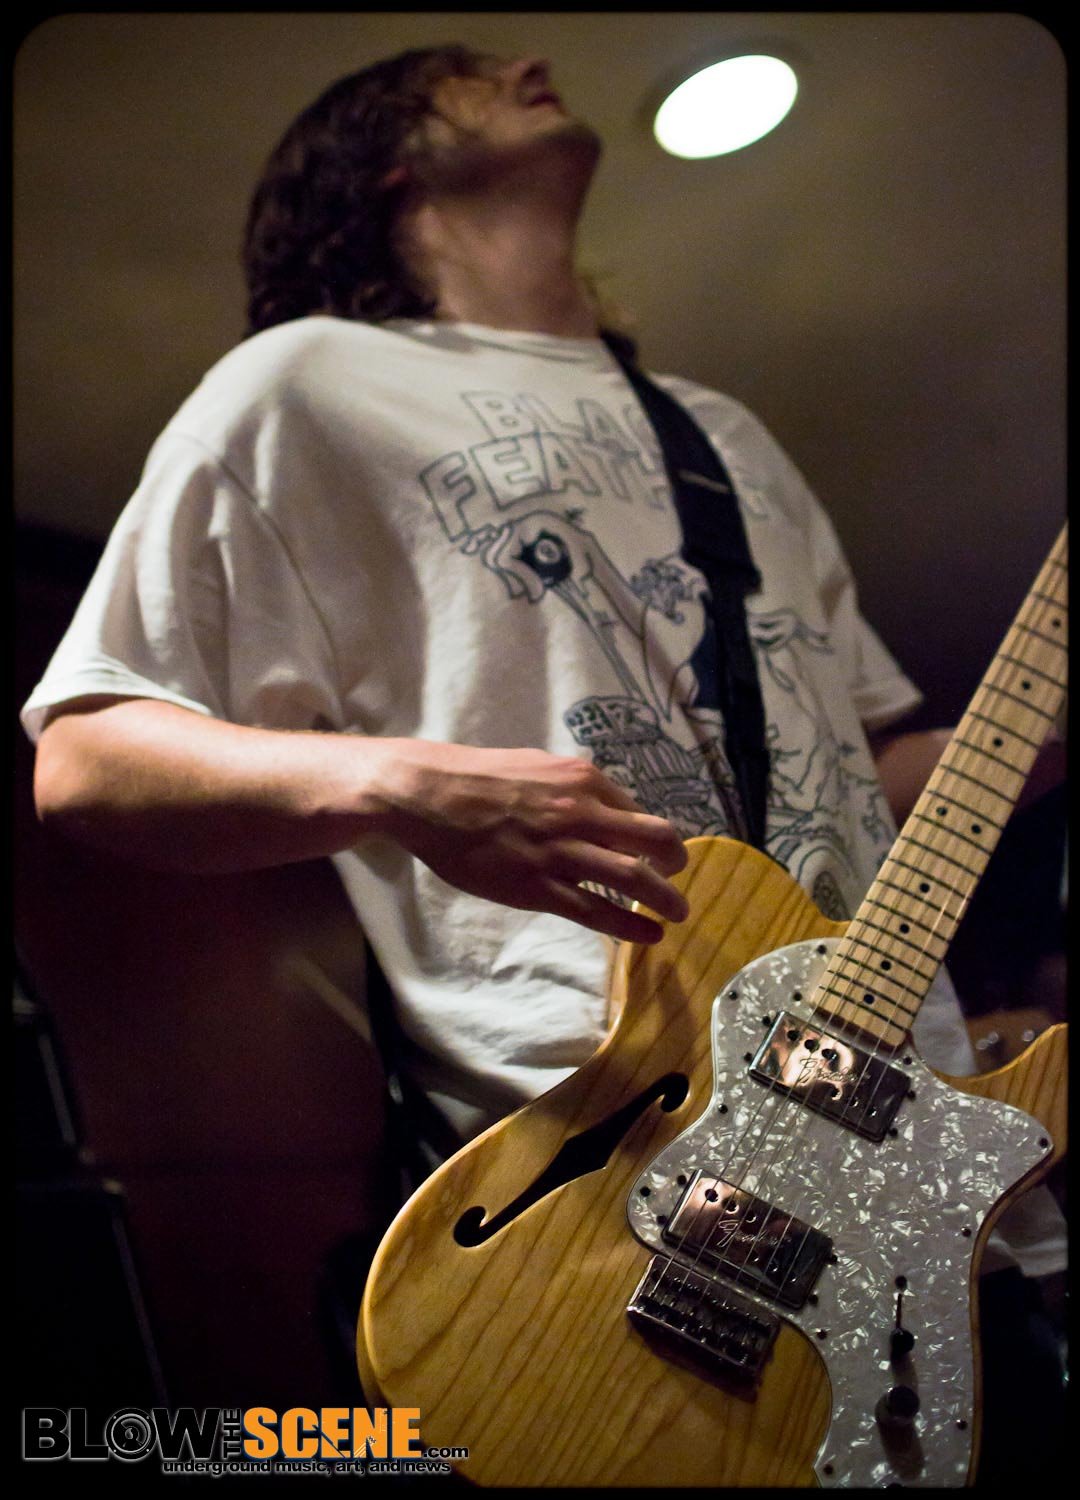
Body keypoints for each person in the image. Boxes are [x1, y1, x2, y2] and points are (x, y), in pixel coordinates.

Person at [22, 44, 1064, 1470]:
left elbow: (866, 781)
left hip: (929, 1193)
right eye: (467, 70)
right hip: (623, 1207)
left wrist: (1033, 734)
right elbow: (87, 757)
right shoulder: (306, 383)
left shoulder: (726, 435)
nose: (530, 60)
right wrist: (401, 784)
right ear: (386, 165)